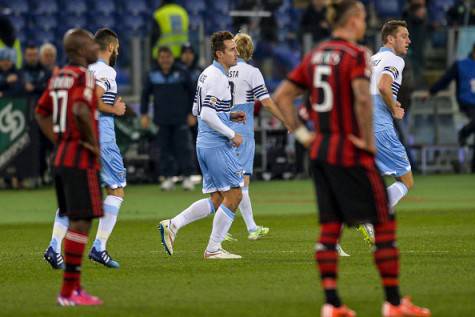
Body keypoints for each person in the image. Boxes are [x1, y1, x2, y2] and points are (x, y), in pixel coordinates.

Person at [273, 1, 431, 317]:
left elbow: (282, 98)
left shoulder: (316, 54)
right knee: (383, 221)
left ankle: (332, 304)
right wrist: (368, 146)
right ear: (355, 19)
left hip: (320, 150)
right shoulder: (355, 54)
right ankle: (394, 303)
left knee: (330, 227)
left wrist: (305, 138)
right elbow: (363, 100)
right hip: (350, 148)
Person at [43, 28, 127, 270]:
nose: (117, 51)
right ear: (111, 47)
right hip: (101, 134)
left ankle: (54, 246)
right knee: (116, 189)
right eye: (117, 47)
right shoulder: (105, 70)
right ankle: (99, 248)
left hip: (79, 133)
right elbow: (94, 99)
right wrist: (114, 109)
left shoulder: (85, 70)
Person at [158, 31, 246, 259]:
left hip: (205, 143)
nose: (236, 53)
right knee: (235, 196)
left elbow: (198, 110)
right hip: (216, 144)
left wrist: (228, 115)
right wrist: (231, 133)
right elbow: (206, 114)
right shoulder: (217, 78)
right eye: (232, 49)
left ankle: (173, 224)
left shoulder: (207, 74)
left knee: (218, 199)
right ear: (220, 53)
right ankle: (213, 249)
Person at [35, 28, 103, 306]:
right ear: (78, 50)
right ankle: (69, 291)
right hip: (79, 158)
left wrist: (59, 139)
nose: (95, 47)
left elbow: (41, 113)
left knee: (78, 220)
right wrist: (92, 145)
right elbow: (80, 110)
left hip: (62, 157)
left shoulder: (57, 77)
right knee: (82, 220)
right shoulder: (83, 76)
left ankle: (71, 290)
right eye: (89, 43)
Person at [227, 32, 286, 240]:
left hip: (222, 128)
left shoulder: (221, 71)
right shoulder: (251, 72)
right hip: (242, 131)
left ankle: (223, 231)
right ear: (250, 51)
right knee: (242, 182)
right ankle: (251, 228)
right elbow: (266, 102)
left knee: (227, 183)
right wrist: (285, 119)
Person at [140, 46, 195, 191]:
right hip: (161, 119)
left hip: (181, 118)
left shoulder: (182, 72)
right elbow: (145, 95)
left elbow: (193, 94)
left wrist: (192, 113)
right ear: (158, 59)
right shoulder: (152, 74)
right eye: (162, 57)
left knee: (183, 148)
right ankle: (168, 178)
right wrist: (144, 114)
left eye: (167, 57)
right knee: (164, 149)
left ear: (172, 57)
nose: (165, 60)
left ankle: (188, 177)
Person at [429, 42, 475, 172]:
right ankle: (464, 132)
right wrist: (431, 91)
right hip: (467, 104)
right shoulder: (460, 65)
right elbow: (445, 80)